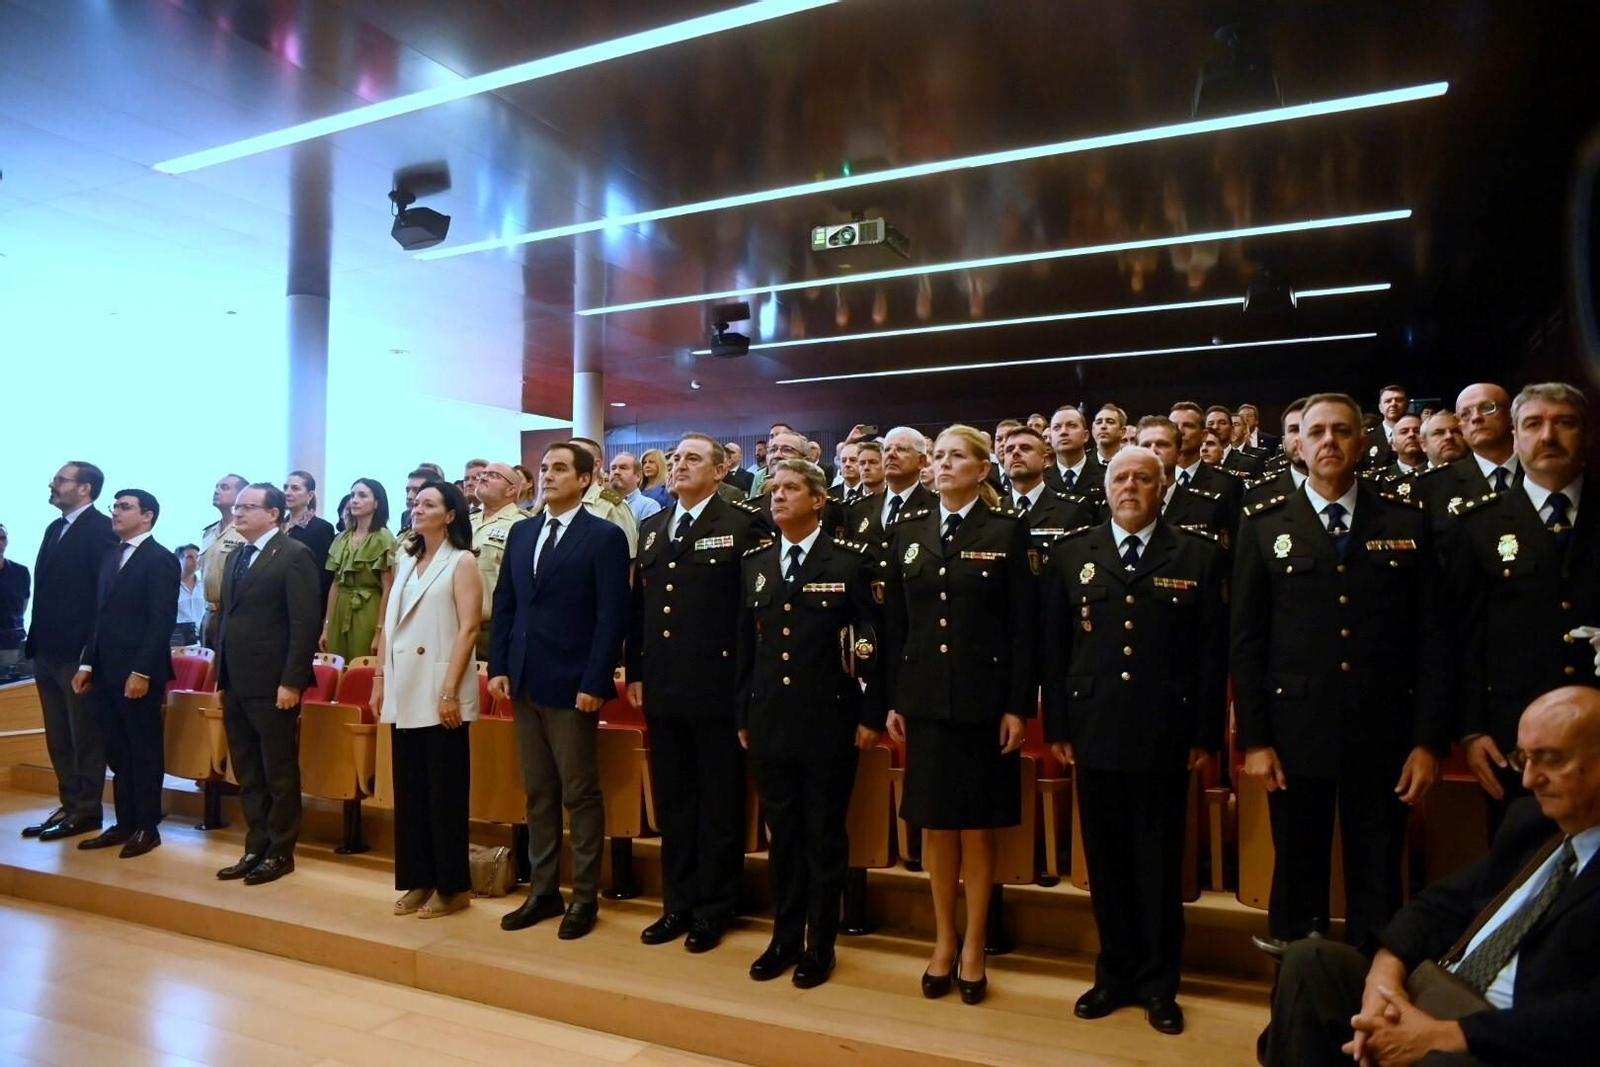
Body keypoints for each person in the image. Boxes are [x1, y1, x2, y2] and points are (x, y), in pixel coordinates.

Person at [1261, 686, 1600, 1067]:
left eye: (1551, 760)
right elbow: (1439, 904)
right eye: (1524, 759)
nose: (1529, 779)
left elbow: (1587, 1017)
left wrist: (1447, 1035)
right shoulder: (1534, 822)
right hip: (1443, 994)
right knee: (1310, 963)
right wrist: (1384, 977)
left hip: (1517, 1039)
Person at [1232, 393, 1450, 955]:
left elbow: (1431, 637)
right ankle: (1296, 998)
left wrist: (1428, 740)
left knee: (1378, 877)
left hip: (1383, 732)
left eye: (1342, 431)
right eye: (1316, 431)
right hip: (1294, 733)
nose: (1328, 441)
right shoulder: (1263, 522)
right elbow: (1247, 639)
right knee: (1296, 873)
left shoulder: (1404, 519)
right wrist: (1255, 740)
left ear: (1362, 441)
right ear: (1298, 445)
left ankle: (1371, 997)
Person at [1042, 449, 1228, 1035]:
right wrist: (1059, 728)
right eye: (1120, 477)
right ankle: (1114, 975)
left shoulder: (1197, 554)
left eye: (1143, 478)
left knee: (1159, 865)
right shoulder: (1072, 553)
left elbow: (1211, 655)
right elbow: (1055, 650)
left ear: (1163, 486)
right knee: (1106, 862)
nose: (1130, 486)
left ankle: (1158, 984)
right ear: (1106, 487)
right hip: (1094, 730)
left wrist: (1204, 734)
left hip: (1164, 732)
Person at [883, 424, 1037, 1004]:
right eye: (938, 456)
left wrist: (1017, 704)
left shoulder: (1006, 530)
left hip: (982, 701)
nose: (943, 464)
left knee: (976, 825)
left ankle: (975, 944)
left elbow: (1023, 628)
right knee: (935, 823)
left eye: (956, 457)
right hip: (925, 700)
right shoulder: (909, 531)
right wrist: (894, 697)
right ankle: (943, 940)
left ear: (982, 469)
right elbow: (897, 626)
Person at [736, 459, 883, 988]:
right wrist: (743, 711)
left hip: (828, 720)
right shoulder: (756, 563)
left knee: (823, 837)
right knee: (783, 837)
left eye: (791, 488)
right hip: (770, 718)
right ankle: (784, 938)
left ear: (818, 500)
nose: (778, 496)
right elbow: (747, 646)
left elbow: (872, 645)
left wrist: (870, 714)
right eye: (774, 488)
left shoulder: (848, 561)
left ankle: (821, 944)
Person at [628, 433, 766, 953]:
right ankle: (678, 904)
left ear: (720, 471)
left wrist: (747, 685)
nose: (679, 465)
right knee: (675, 802)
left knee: (719, 804)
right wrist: (635, 670)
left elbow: (752, 615)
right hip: (664, 685)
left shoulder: (742, 524)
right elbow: (640, 609)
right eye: (675, 458)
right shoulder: (653, 527)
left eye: (692, 458)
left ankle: (715, 907)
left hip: (717, 685)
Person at [490, 443, 630, 941]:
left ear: (585, 479)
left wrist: (596, 680)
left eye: (560, 469)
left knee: (579, 792)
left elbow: (612, 615)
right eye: (544, 468)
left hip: (573, 683)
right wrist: (499, 665)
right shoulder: (523, 531)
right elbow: (506, 604)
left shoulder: (604, 536)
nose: (547, 475)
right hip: (524, 678)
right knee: (539, 791)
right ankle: (543, 890)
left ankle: (584, 897)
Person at [1449, 383, 1595, 832]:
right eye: (1533, 424)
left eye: (1564, 423)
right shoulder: (1477, 523)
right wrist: (1472, 730)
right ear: (1515, 436)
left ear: (1587, 434)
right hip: (1516, 734)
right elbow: (1462, 635)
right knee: (1521, 858)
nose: (1548, 436)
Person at [376, 480, 482, 920]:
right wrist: (380, 677)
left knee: (445, 795)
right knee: (411, 793)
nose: (417, 509)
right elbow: (389, 623)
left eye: (429, 504)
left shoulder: (462, 561)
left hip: (441, 688)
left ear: (450, 515)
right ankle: (418, 878)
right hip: (404, 685)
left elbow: (468, 628)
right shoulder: (405, 558)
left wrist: (449, 690)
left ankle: (453, 887)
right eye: (416, 503)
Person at [214, 483, 322, 885]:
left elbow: (304, 623)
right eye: (237, 507)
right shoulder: (237, 555)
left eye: (247, 507)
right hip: (237, 680)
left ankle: (280, 851)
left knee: (278, 772)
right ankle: (255, 845)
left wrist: (292, 681)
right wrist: (221, 677)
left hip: (274, 683)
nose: (238, 513)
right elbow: (228, 620)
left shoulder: (294, 555)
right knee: (248, 770)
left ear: (273, 514)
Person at [70, 489, 179, 858]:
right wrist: (87, 663)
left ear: (147, 516)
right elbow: (98, 616)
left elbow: (161, 621)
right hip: (104, 670)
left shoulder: (160, 559)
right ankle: (124, 823)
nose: (116, 512)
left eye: (125, 507)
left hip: (138, 673)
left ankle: (147, 826)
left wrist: (142, 671)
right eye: (115, 506)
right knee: (116, 752)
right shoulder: (110, 556)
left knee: (143, 751)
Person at [23, 461, 117, 842]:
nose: (53, 484)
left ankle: (87, 810)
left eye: (60, 480)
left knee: (85, 737)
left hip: (77, 653)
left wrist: (90, 655)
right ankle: (68, 803)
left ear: (84, 488)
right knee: (58, 736)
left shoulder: (101, 530)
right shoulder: (54, 528)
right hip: (46, 649)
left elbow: (103, 598)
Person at [321, 478, 395, 662]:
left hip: (368, 608)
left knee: (363, 665)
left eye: (362, 495)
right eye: (353, 495)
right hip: (340, 608)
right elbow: (335, 584)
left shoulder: (384, 538)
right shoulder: (341, 538)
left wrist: (380, 630)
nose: (354, 500)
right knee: (336, 664)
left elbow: (388, 587)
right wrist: (326, 626)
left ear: (376, 502)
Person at [1001, 426, 1097, 560]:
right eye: (1009, 450)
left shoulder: (1071, 509)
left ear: (1044, 460)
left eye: (1025, 448)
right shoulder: (995, 509)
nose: (1015, 453)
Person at [846, 427, 936, 557]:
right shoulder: (859, 508)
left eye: (901, 449)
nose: (891, 454)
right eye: (887, 449)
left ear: (921, 461)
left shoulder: (936, 506)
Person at [469, 462, 527, 660]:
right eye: (483, 474)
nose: (483, 477)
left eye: (493, 475)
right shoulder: (466, 521)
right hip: (455, 625)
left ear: (511, 490)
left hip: (493, 629)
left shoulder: (522, 524)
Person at [198, 473, 249, 648]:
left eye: (224, 487)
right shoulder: (209, 532)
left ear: (241, 494)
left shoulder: (246, 531)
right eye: (216, 487)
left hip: (233, 613)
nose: (217, 491)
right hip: (208, 612)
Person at [284, 470, 336, 607]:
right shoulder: (277, 526)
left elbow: (323, 576)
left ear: (310, 495)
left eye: (295, 488)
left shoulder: (320, 528)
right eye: (285, 487)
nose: (288, 492)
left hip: (303, 602)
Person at [1045, 405, 1103, 503]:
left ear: (1085, 436)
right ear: (1050, 439)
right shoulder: (1041, 480)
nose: (1063, 432)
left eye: (1072, 425)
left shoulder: (1105, 476)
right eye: (1057, 427)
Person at [610, 452, 663, 525]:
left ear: (638, 476)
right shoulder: (602, 503)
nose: (616, 472)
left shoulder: (648, 506)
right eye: (613, 468)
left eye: (623, 468)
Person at [0, 523, 30, 653]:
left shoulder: (21, 572)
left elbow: (23, 605)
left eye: (3, 538)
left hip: (13, 640)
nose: (0, 542)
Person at [173, 543, 204, 646]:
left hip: (203, 641)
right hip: (178, 642)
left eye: (197, 557)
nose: (195, 561)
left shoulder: (204, 585)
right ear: (178, 560)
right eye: (189, 557)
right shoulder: (170, 587)